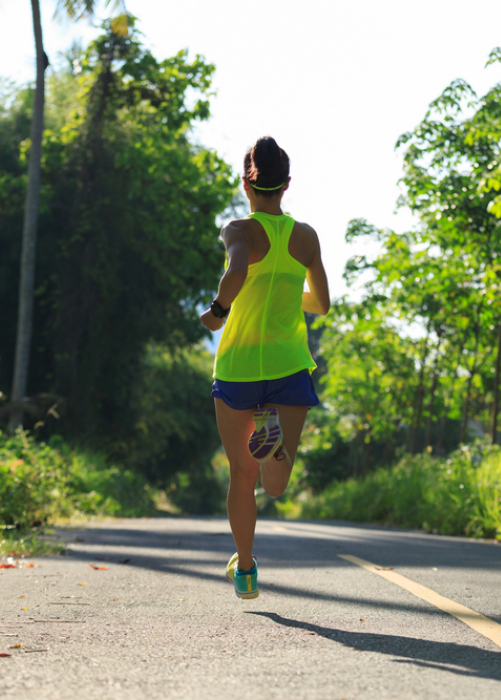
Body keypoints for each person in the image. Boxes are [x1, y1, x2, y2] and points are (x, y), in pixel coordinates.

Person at [200, 136, 331, 599]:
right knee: (275, 484)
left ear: (246, 183)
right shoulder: (306, 237)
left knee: (241, 474)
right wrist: (282, 292)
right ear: (287, 184)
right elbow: (323, 303)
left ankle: (247, 571)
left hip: (238, 368)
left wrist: (218, 310)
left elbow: (236, 272)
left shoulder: (238, 229)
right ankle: (273, 448)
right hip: (288, 365)